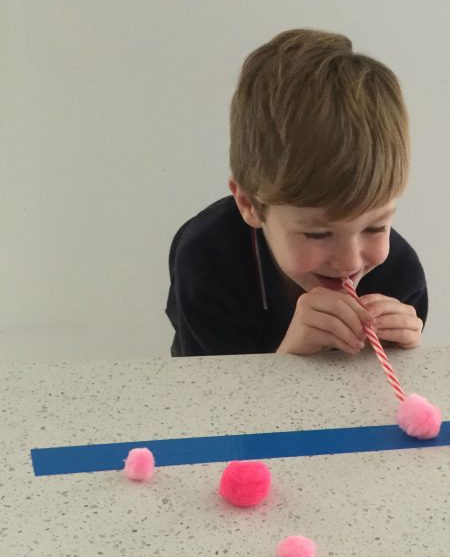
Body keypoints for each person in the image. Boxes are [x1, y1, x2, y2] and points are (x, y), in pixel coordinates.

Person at [166, 29, 428, 358]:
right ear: (249, 204)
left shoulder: (400, 277)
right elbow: (213, 402)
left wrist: (403, 358)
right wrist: (289, 358)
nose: (349, 261)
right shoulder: (207, 261)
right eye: (317, 233)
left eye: (375, 227)